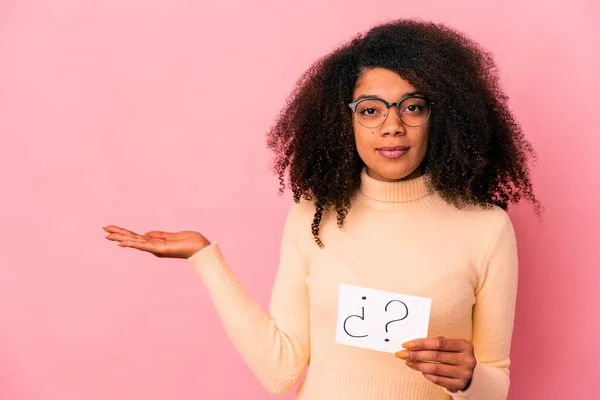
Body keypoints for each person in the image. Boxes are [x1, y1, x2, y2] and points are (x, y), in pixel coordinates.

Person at [103, 19, 539, 399]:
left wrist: (467, 381)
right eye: (370, 110)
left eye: (412, 107)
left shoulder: (486, 228)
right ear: (344, 121)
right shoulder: (313, 216)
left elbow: (494, 382)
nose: (392, 125)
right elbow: (279, 371)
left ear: (440, 116)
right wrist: (204, 257)